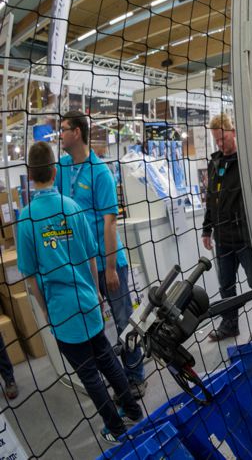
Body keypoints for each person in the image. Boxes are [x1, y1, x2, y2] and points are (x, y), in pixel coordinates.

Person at [19, 142, 143, 442]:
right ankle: (134, 412)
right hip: (88, 302)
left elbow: (31, 277)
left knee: (89, 375)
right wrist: (95, 293)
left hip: (63, 311)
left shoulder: (26, 218)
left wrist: (46, 310)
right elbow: (91, 257)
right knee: (107, 361)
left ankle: (116, 428)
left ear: (30, 175)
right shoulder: (73, 207)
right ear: (53, 170)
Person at [56, 110, 145, 399]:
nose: (60, 134)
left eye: (64, 129)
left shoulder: (100, 172)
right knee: (95, 327)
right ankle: (117, 378)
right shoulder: (63, 168)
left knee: (122, 322)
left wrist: (108, 268)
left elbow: (110, 224)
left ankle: (136, 378)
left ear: (77, 133)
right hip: (82, 267)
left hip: (108, 263)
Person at [201, 114, 252, 341]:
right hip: (223, 239)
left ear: (232, 132)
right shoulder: (215, 164)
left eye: (223, 139)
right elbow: (212, 198)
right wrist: (206, 229)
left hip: (246, 237)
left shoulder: (247, 162)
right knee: (226, 286)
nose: (220, 144)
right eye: (217, 141)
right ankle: (229, 324)